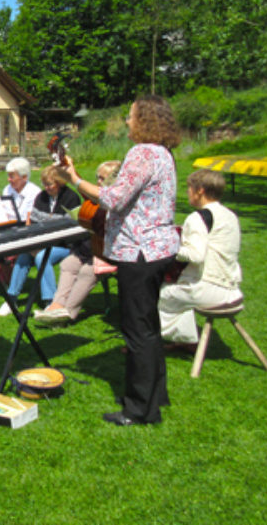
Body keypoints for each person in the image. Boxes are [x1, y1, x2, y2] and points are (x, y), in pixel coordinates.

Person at [60, 95, 181, 426]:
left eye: (131, 116)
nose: (127, 122)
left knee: (137, 331)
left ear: (145, 121)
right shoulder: (163, 154)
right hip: (158, 249)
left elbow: (113, 198)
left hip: (140, 252)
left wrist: (74, 179)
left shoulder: (142, 153)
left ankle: (139, 410)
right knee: (149, 327)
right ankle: (157, 396)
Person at [158, 169, 242, 349]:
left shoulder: (197, 218)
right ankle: (185, 340)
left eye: (189, 188)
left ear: (200, 190)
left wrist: (169, 246)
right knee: (174, 292)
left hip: (209, 289)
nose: (187, 193)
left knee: (158, 294)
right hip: (232, 288)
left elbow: (196, 255)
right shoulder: (230, 215)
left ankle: (152, 341)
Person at [35, 160, 121, 324]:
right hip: (90, 248)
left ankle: (68, 312)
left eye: (103, 179)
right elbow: (83, 189)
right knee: (68, 264)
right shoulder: (97, 197)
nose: (98, 182)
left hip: (110, 253)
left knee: (87, 272)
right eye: (98, 178)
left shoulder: (118, 199)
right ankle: (57, 304)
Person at [0, 165, 81, 317]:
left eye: (50, 185)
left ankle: (51, 301)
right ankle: (11, 298)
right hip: (41, 242)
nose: (46, 188)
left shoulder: (71, 198)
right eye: (44, 184)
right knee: (24, 257)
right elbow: (33, 224)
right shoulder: (41, 197)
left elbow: (69, 231)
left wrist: (42, 244)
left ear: (60, 183)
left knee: (42, 257)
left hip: (64, 245)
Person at [0, 157, 41, 223]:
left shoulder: (34, 192)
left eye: (12, 176)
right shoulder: (7, 189)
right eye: (8, 176)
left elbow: (30, 218)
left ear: (24, 177)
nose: (9, 179)